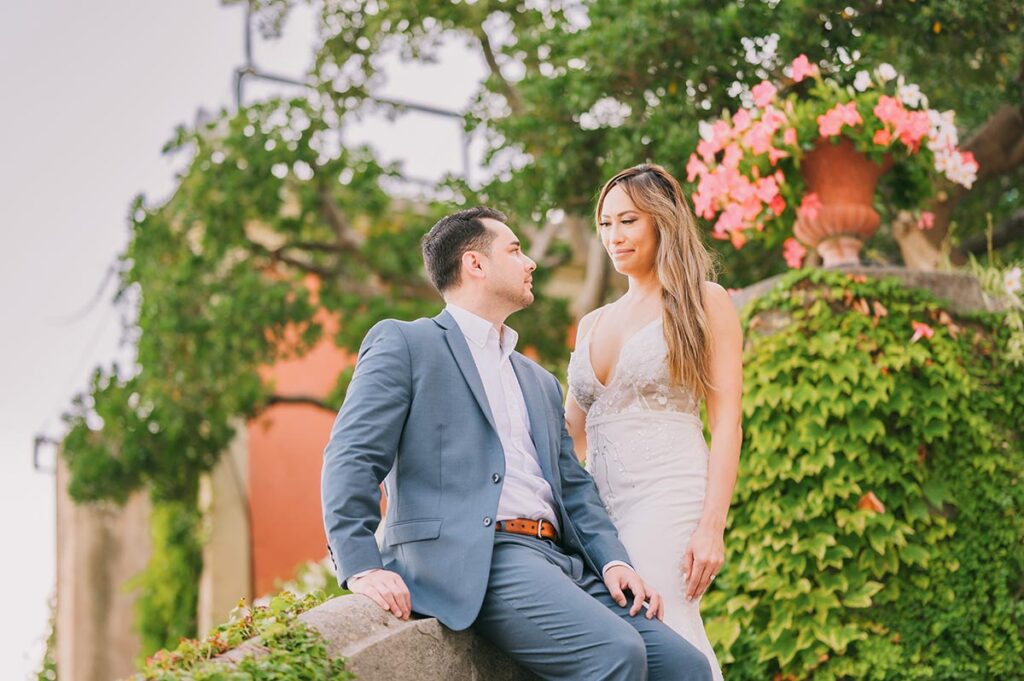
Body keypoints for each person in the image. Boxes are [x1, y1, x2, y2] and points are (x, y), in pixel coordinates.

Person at [322, 206, 713, 680]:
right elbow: (352, 455)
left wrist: (612, 560)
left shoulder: (538, 380)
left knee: (685, 667)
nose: (530, 262)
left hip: (562, 560)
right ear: (475, 264)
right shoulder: (406, 344)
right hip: (482, 557)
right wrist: (361, 565)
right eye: (515, 250)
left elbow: (573, 486)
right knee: (615, 652)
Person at [566, 164, 743, 681]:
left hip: (669, 493)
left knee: (660, 620)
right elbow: (566, 434)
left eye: (628, 221)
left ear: (661, 222)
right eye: (605, 224)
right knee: (616, 636)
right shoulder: (591, 323)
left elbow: (727, 422)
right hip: (600, 509)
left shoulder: (703, 301)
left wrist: (713, 526)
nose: (614, 237)